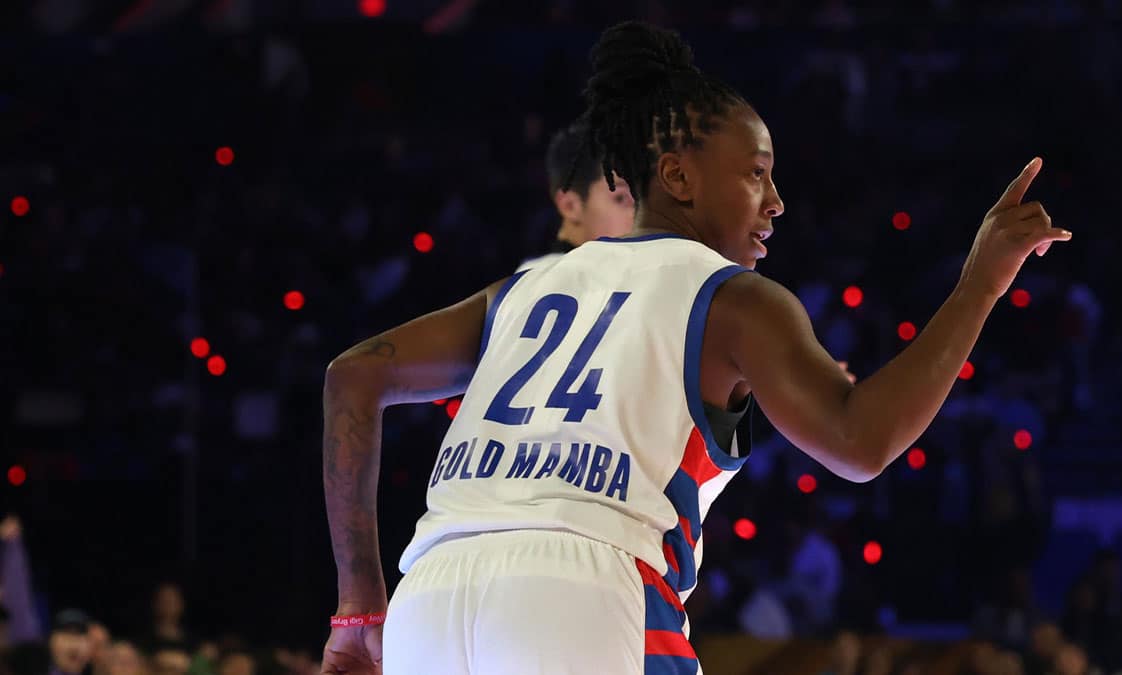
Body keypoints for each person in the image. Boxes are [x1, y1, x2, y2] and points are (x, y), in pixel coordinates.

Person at [319, 20, 1071, 675]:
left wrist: (359, 604)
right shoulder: (734, 298)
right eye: (756, 173)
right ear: (677, 175)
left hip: (432, 592)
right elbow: (861, 442)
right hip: (584, 588)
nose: (775, 201)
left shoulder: (523, 290)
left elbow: (352, 378)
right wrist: (981, 283)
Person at [516, 120, 636, 272]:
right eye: (621, 198)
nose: (640, 214)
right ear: (570, 206)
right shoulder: (539, 280)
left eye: (643, 198)